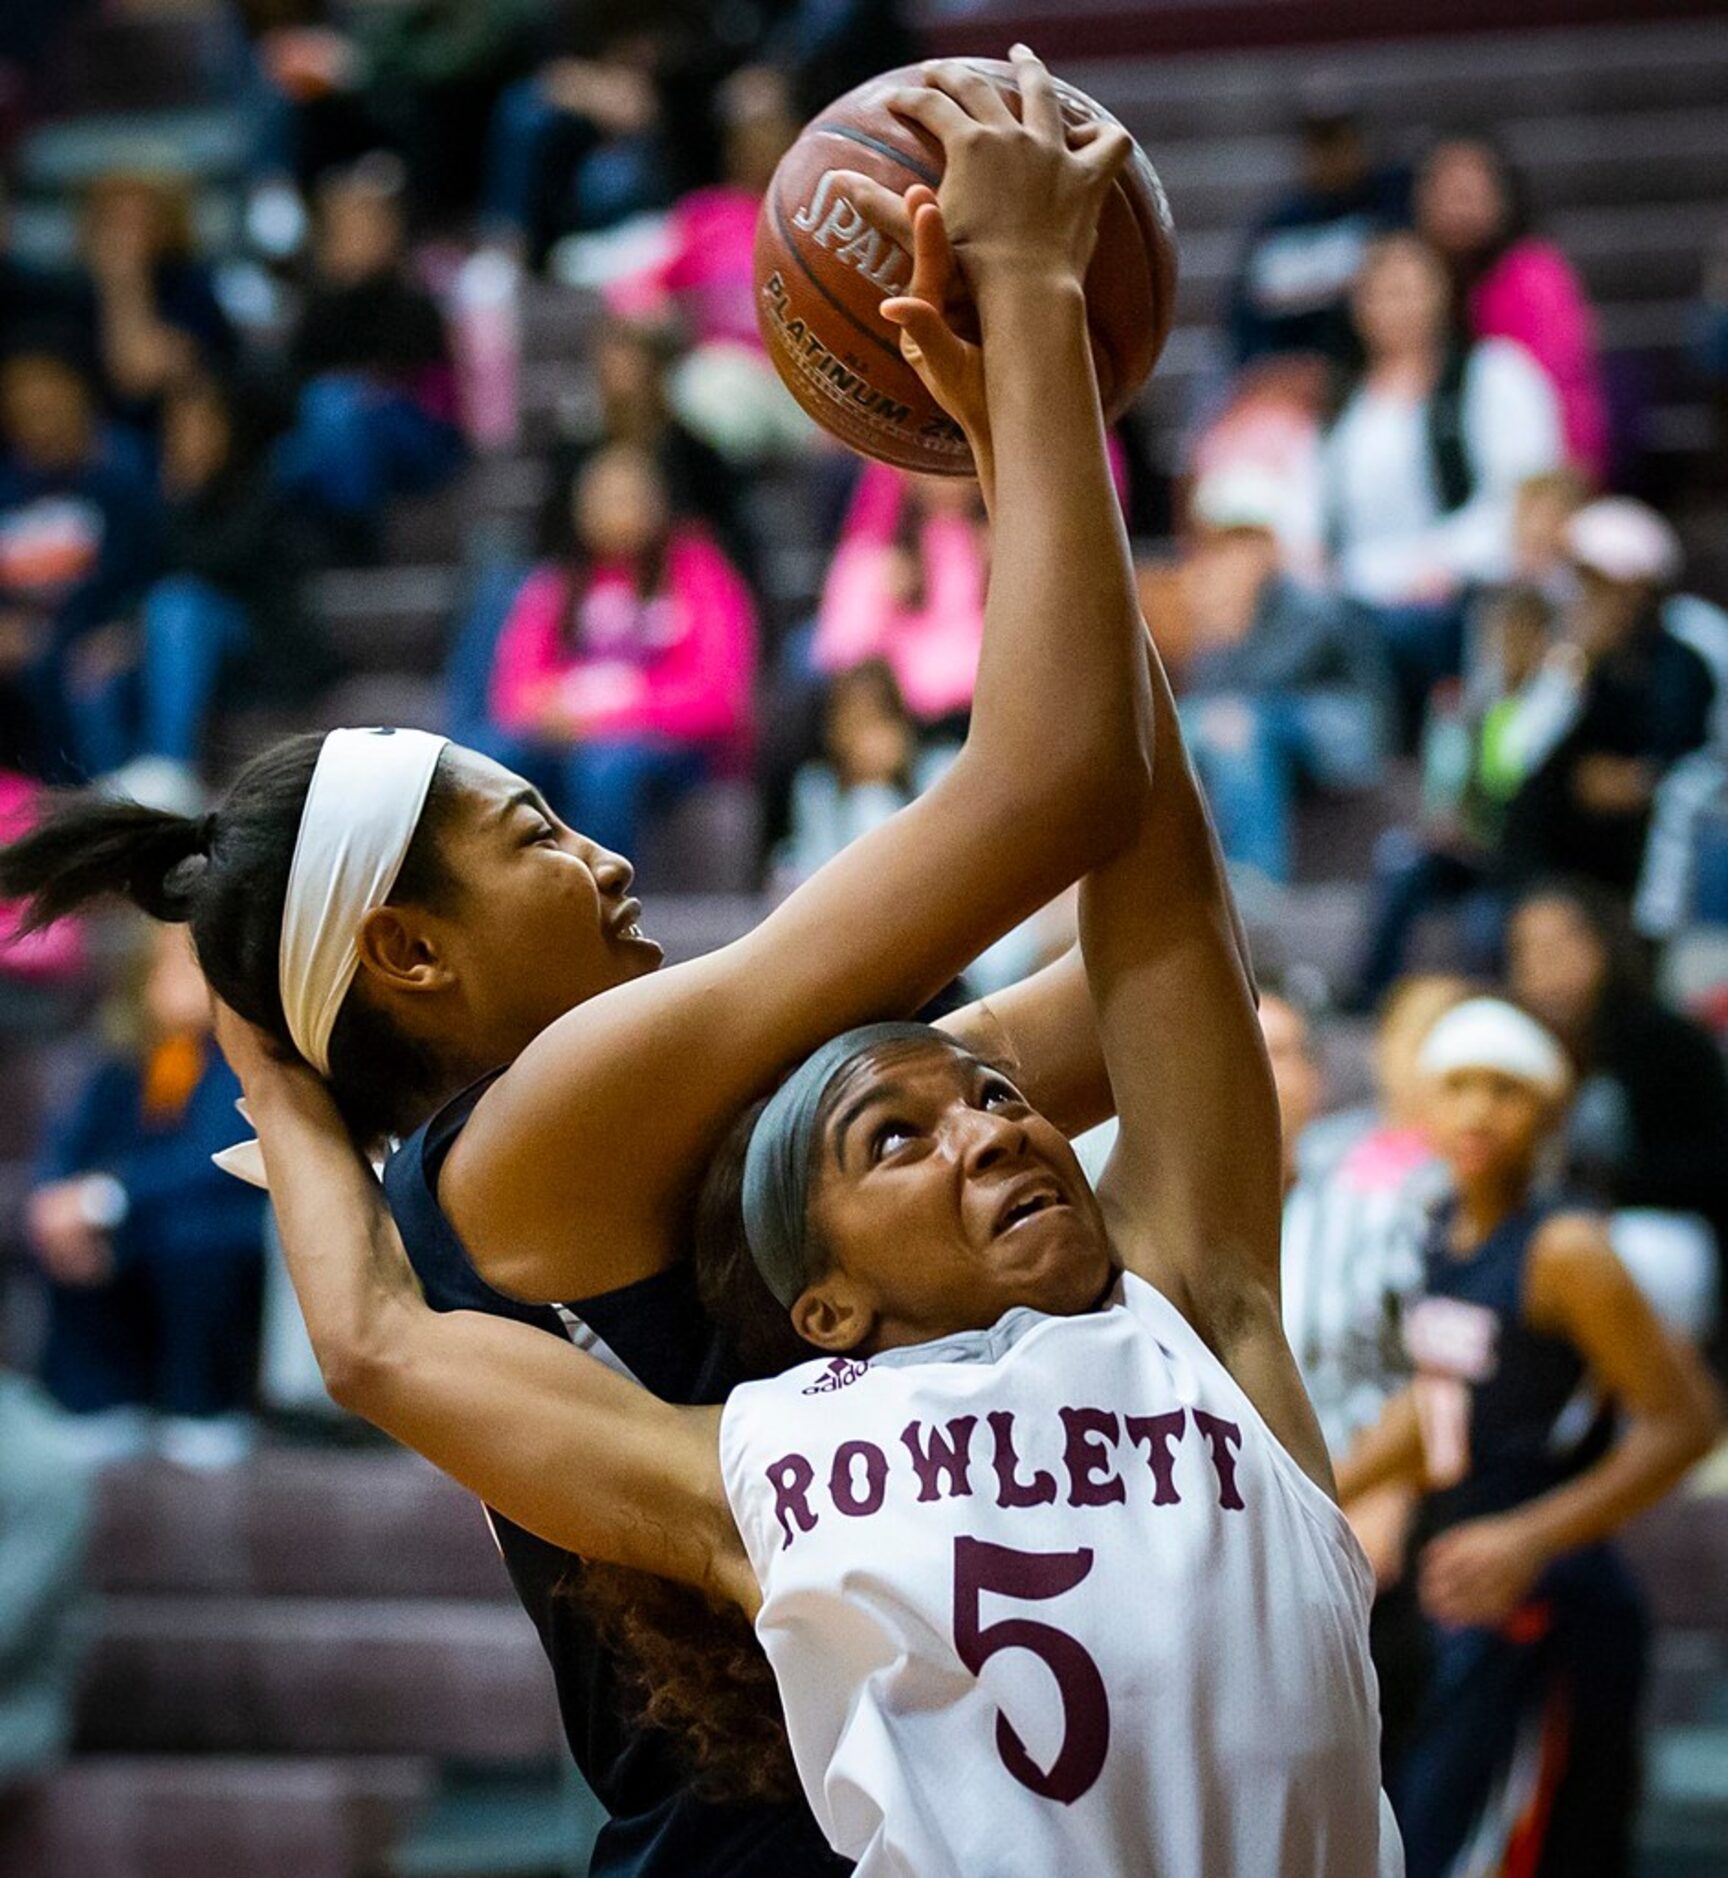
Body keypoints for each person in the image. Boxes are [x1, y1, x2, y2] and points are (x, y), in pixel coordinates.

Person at [0, 52, 1162, 1875]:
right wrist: (1021, 349)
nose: (608, 854)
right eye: (537, 835)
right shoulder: (529, 1133)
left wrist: (1033, 438)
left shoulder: (618, 1129)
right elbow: (1052, 789)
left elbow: (1134, 1003)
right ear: (410, 952)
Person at [1337, 997, 1717, 1878]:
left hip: (1550, 1594)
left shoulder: (1567, 1248)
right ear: (1424, 1107)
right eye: (1458, 1086)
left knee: (1512, 1850)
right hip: (1461, 1579)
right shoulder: (1440, 1225)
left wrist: (1528, 1537)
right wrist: (1325, 1485)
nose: (1477, 1110)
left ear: (1548, 1111)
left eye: (1505, 1090)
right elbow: (1441, 1398)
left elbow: (1686, 1425)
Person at [26, 922, 268, 1470]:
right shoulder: (126, 1054)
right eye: (169, 968)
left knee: (196, 1244)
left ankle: (203, 1404)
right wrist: (56, 1199)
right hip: (132, 1226)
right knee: (69, 1234)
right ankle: (100, 1397)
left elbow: (216, 1158)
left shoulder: (238, 1062)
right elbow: (71, 1140)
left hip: (209, 1225)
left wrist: (102, 1198)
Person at [1319, 232, 1563, 707]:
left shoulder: (1495, 374)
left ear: (1443, 293)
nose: (1400, 308)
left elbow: (1527, 499)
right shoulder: (1343, 403)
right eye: (1384, 292)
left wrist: (1444, 565)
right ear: (1360, 307)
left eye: (1411, 289)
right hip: (1363, 591)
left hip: (1465, 591)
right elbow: (1319, 511)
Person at [486, 441, 757, 857]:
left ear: (658, 503)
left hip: (674, 745)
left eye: (629, 497)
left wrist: (611, 715)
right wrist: (551, 709)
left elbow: (719, 694)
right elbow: (516, 692)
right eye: (603, 499)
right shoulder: (557, 583)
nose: (617, 510)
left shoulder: (697, 569)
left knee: (604, 769)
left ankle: (603, 903)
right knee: (496, 760)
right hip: (574, 735)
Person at [86, 371, 333, 811]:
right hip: (179, 643)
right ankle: (111, 799)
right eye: (176, 429)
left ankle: (172, 768)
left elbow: (218, 565)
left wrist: (180, 498)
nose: (186, 440)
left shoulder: (265, 488)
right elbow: (139, 578)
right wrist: (126, 632)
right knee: (96, 660)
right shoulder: (161, 500)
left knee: (178, 605)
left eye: (201, 425)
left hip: (262, 644)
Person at [1507, 878, 1728, 1358]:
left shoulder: (1666, 1040)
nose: (1539, 966)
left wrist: (1608, 1189)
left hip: (1662, 1235)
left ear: (1601, 947)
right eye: (1524, 951)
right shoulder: (1516, 1048)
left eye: (1556, 945)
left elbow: (1714, 1165)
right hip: (1553, 1231)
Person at [1176, 462, 1392, 886]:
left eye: (1242, 541)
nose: (1230, 556)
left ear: (1268, 543)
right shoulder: (1228, 606)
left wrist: (1229, 628)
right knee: (1180, 728)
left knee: (1239, 727)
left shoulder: (1308, 603)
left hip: (1346, 727)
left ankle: (1257, 879)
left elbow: (1269, 682)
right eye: (1221, 543)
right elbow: (1206, 696)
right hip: (1274, 722)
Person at [1500, 497, 1716, 895]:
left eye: (1604, 585)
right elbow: (1517, 756)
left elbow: (1685, 758)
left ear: (1641, 588)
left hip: (1649, 844)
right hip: (1561, 854)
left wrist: (1638, 780)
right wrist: (1568, 670)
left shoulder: (1684, 654)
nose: (1590, 599)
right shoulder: (1572, 655)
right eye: (1585, 584)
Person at [275, 157, 465, 548]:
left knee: (337, 408)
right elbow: (291, 383)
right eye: (342, 228)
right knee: (287, 460)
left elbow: (426, 383)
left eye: (362, 226)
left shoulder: (414, 302)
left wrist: (364, 392)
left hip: (417, 438)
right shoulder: (318, 306)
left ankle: (357, 537)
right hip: (341, 435)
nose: (352, 237)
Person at [0, 344, 158, 781]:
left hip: (93, 640)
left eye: (49, 405)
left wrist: (121, 630)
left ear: (80, 399)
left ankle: (94, 810)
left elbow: (145, 574)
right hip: (17, 646)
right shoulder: (7, 490)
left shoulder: (123, 482)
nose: (39, 422)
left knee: (82, 673)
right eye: (24, 409)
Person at [1414, 135, 1608, 482]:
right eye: (1447, 191)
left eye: (1470, 191)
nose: (1458, 205)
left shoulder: (1534, 277)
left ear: (1502, 198)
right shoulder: (1421, 280)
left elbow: (1561, 390)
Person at [1225, 94, 1410, 371]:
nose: (1333, 156)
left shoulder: (1392, 209)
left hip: (1375, 370)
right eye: (1321, 144)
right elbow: (1247, 321)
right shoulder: (1278, 228)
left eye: (1341, 140)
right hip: (1295, 378)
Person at [810, 465, 989, 740]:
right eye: (931, 469)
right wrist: (880, 604)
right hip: (900, 726)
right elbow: (842, 648)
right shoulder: (875, 553)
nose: (945, 483)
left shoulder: (990, 546)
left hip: (978, 719)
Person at [75, 170, 237, 438]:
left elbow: (137, 377)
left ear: (167, 226)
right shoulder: (69, 293)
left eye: (138, 222)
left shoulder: (192, 288)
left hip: (165, 434)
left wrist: (124, 287)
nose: (124, 237)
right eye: (113, 222)